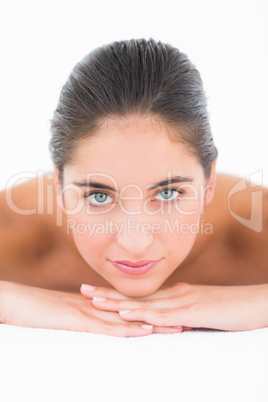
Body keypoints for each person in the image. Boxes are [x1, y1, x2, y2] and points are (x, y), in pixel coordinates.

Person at [0, 38, 267, 337]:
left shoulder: (255, 225)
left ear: (209, 182)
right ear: (59, 186)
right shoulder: (11, 228)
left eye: (168, 194)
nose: (135, 244)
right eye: (99, 196)